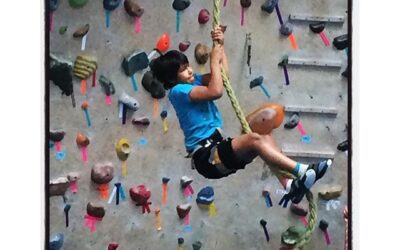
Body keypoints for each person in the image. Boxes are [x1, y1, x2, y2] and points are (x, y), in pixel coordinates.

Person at [151, 26, 332, 206]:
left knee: (264, 139)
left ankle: (290, 185)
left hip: (216, 153)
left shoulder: (194, 80)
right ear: (172, 79)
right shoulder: (178, 91)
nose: (189, 70)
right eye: (182, 70)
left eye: (188, 66)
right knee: (254, 139)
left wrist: (220, 45)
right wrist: (214, 59)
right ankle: (302, 170)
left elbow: (223, 77)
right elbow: (216, 91)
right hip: (207, 157)